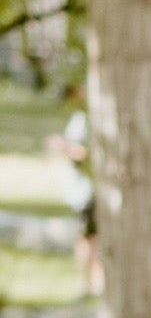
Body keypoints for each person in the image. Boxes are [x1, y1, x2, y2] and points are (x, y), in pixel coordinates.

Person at [45, 84, 100, 297]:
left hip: (90, 190)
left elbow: (84, 152)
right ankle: (89, 282)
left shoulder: (89, 118)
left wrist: (62, 146)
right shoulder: (80, 117)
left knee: (90, 238)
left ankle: (91, 283)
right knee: (88, 237)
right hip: (80, 190)